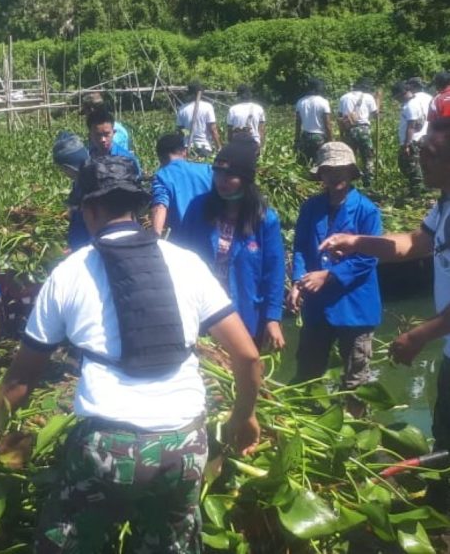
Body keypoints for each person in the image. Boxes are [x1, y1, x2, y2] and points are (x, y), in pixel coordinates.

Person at [0, 156, 262, 552]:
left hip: (108, 446)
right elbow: (248, 356)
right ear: (136, 207)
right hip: (185, 444)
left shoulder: (69, 273)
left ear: (89, 209)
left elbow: (20, 381)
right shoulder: (186, 263)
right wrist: (245, 416)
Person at [320, 118, 450, 507]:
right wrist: (359, 242)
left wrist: (420, 335)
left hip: (441, 340)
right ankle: (440, 509)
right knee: (444, 434)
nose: (420, 165)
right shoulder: (444, 203)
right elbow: (414, 242)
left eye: (429, 157)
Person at [288, 142, 382, 398]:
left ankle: (356, 426)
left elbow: (368, 257)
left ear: (352, 172)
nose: (335, 174)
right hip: (318, 306)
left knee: (356, 382)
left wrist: (329, 276)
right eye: (328, 170)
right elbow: (300, 248)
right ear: (321, 175)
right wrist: (298, 281)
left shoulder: (366, 210)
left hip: (354, 306)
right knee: (308, 374)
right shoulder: (311, 208)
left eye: (341, 169)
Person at [176, 139, 286, 350]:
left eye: (230, 176)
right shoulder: (198, 208)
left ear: (245, 179)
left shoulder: (264, 219)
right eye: (217, 173)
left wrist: (273, 318)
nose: (221, 181)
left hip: (243, 313)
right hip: (201, 311)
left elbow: (274, 272)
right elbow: (181, 256)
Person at [151, 132, 213, 237]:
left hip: (183, 242)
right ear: (184, 152)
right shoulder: (208, 170)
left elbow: (160, 207)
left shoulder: (163, 176)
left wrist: (155, 239)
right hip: (211, 238)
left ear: (160, 157)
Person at [52, 131, 91, 251]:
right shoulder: (78, 183)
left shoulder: (92, 186)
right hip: (81, 248)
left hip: (90, 251)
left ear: (68, 167)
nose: (63, 172)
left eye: (62, 169)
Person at [337, 78, 379, 186]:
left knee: (350, 157)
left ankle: (350, 181)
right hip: (364, 129)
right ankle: (368, 182)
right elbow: (375, 114)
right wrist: (378, 101)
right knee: (367, 157)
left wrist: (342, 134)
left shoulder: (343, 98)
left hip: (349, 130)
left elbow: (340, 117)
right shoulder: (368, 97)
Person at [392, 80, 427, 198]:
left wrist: (407, 145)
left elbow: (411, 126)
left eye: (397, 97)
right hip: (414, 140)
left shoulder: (410, 106)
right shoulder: (413, 102)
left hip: (412, 141)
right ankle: (418, 190)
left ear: (402, 94)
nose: (397, 100)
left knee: (411, 167)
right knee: (411, 165)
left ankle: (417, 193)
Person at [87, 106, 141, 176]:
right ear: (90, 135)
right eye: (98, 135)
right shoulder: (85, 159)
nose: (103, 139)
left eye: (106, 134)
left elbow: (136, 183)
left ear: (114, 132)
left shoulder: (128, 159)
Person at [176, 81, 222, 158]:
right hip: (204, 147)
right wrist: (219, 148)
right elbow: (213, 130)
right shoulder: (207, 107)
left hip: (187, 148)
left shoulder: (182, 109)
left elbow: (179, 133)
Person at [295, 78, 332, 163]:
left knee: (306, 163)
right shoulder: (323, 102)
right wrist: (330, 140)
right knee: (320, 163)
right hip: (319, 137)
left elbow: (298, 123)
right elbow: (328, 124)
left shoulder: (300, 102)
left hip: (305, 136)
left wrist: (296, 140)